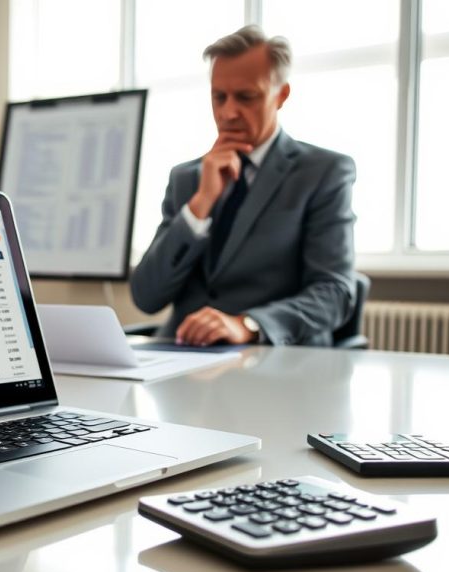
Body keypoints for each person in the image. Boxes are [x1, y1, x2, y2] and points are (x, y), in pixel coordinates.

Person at [130, 25, 357, 347]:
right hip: (183, 360)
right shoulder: (186, 179)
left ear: (281, 95)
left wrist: (249, 324)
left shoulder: (323, 172)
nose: (228, 112)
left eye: (246, 97)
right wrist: (200, 205)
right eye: (218, 97)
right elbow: (146, 296)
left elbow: (334, 292)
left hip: (273, 361)